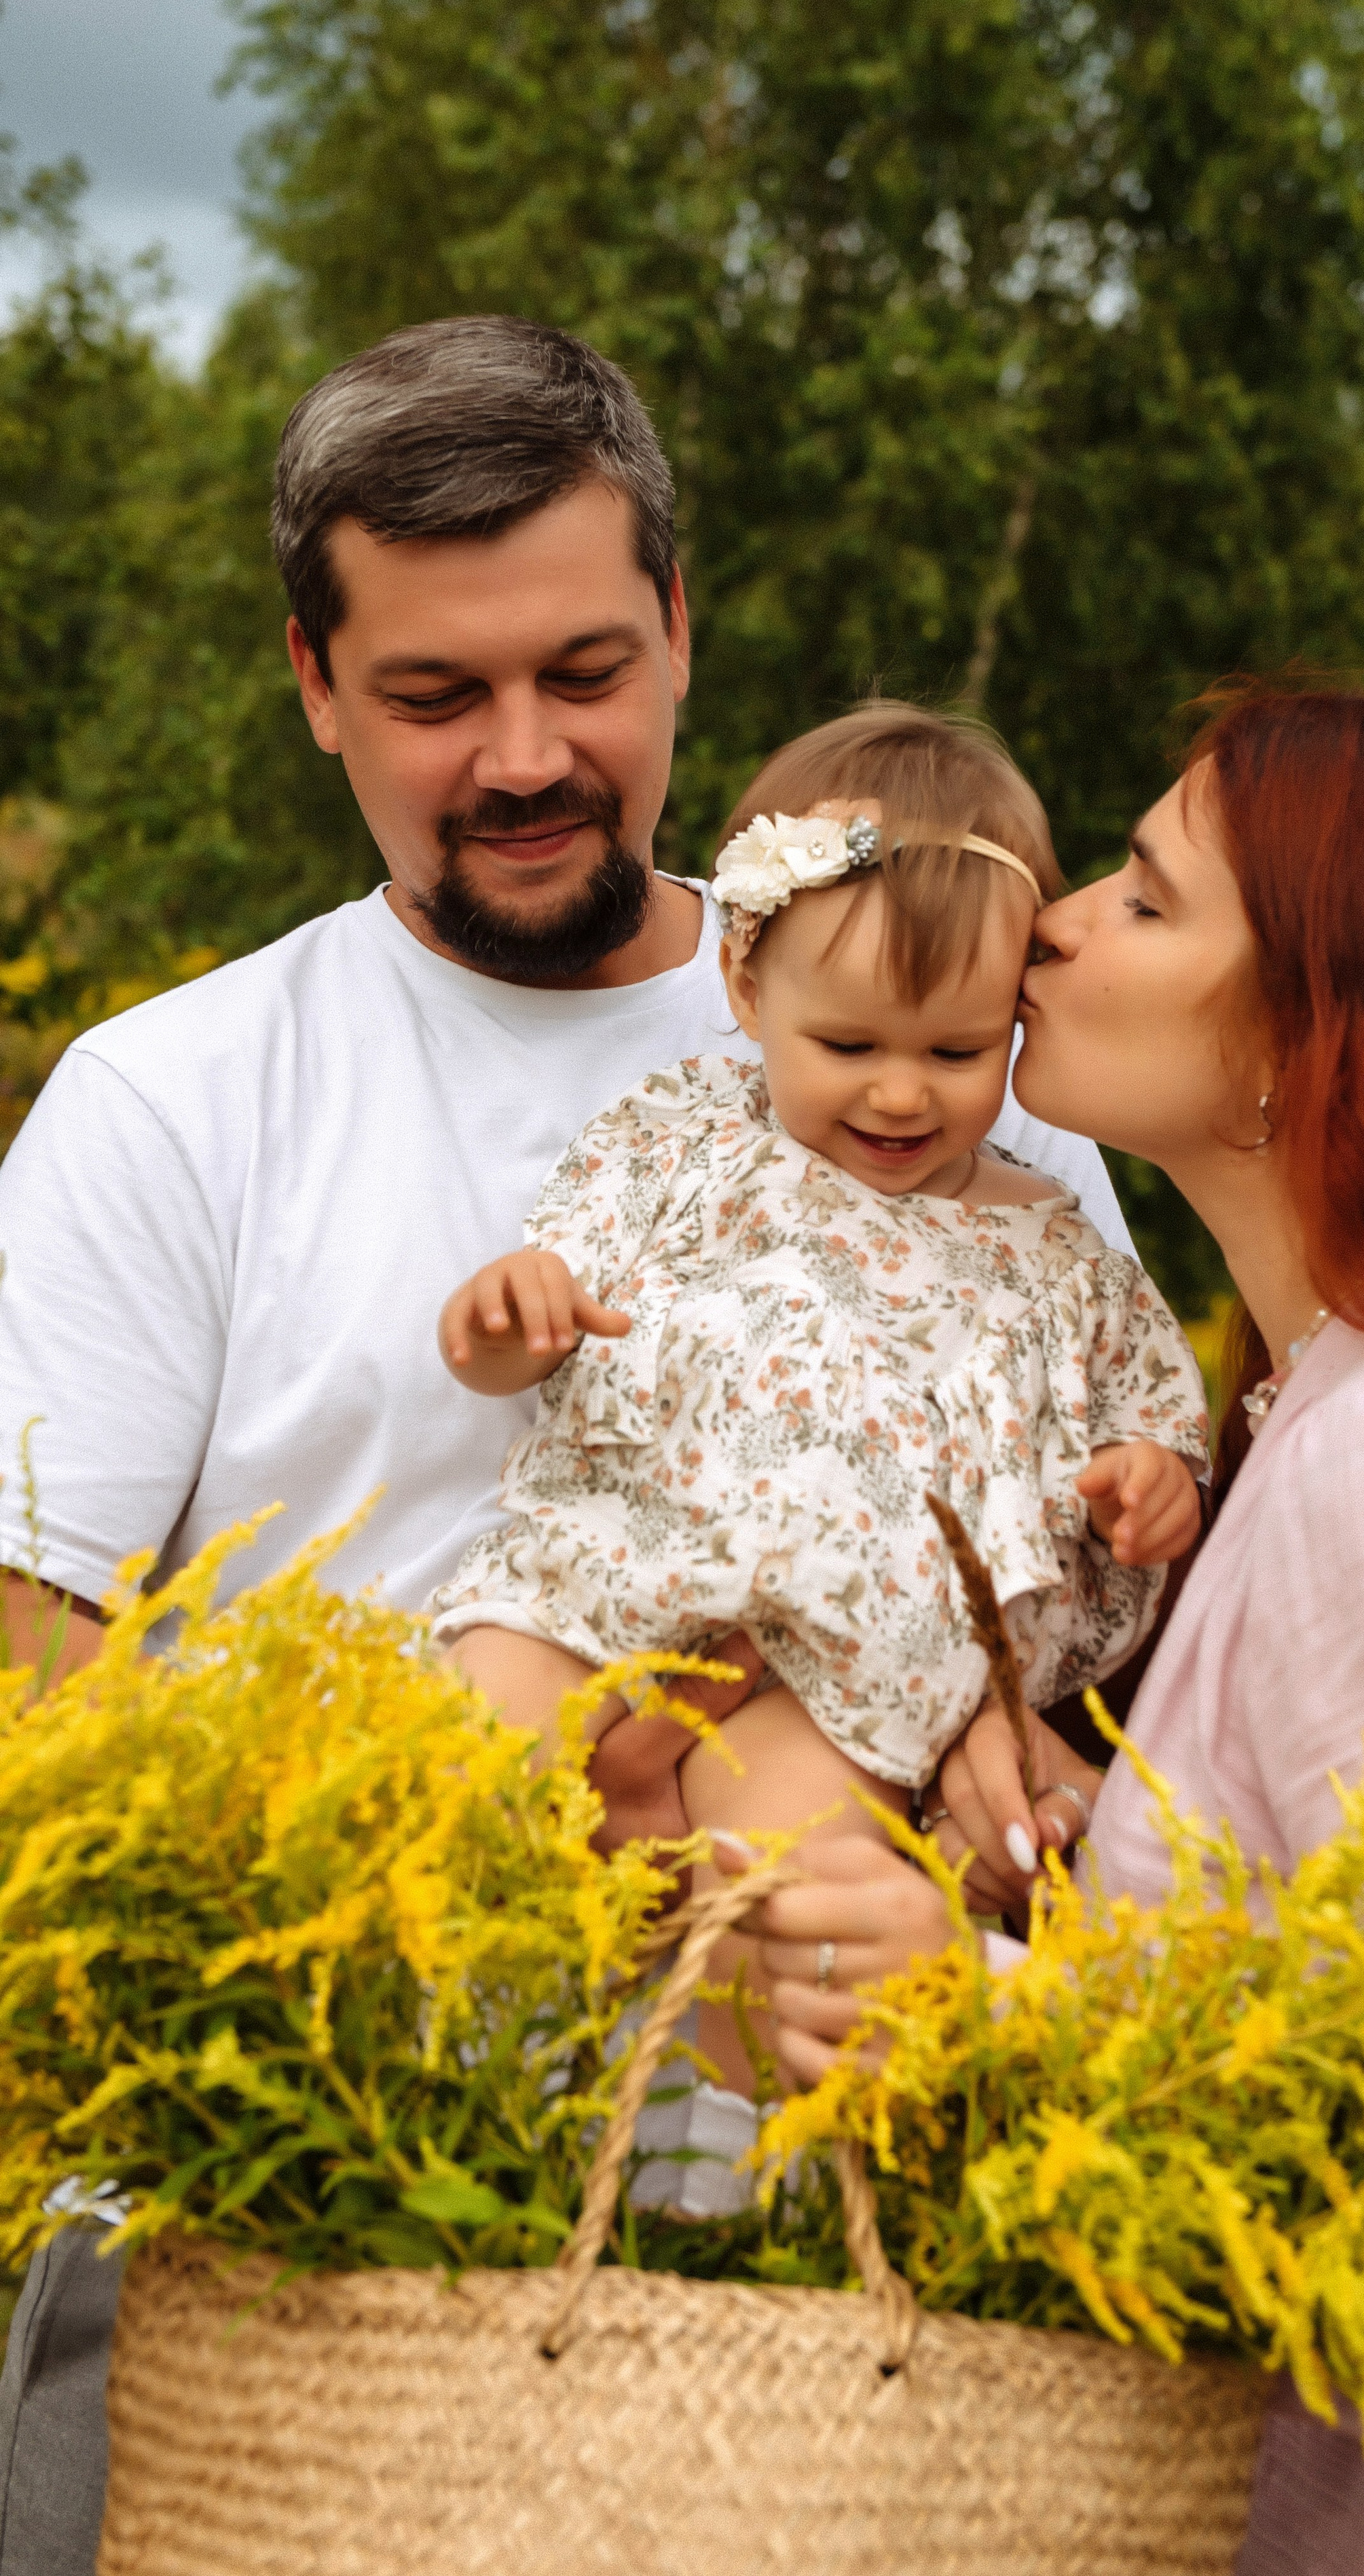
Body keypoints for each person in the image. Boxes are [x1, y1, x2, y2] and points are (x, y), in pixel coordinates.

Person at [0, 316, 1132, 2576]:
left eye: (586, 671)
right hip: (284, 2228)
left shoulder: (988, 1109)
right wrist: (455, 1830)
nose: (527, 756)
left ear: (687, 636)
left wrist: (1019, 1819)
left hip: (830, 2275)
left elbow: (1091, 1675)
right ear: (314, 681)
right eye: (434, 694)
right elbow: (36, 1679)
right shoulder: (172, 1103)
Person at [729, 683, 1364, 2573]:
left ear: (1314, 1042)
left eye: (1145, 895)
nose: (1056, 923)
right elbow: (1333, 1960)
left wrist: (979, 2011)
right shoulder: (1321, 1414)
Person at [431, 709, 1207, 2087]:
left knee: (792, 1927)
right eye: (847, 1044)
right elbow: (534, 1331)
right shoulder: (680, 1138)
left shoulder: (1051, 1246)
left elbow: (1148, 1418)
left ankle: (760, 2205)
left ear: (1012, 1018)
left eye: (958, 1053)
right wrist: (506, 1321)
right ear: (744, 984)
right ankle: (433, 2088)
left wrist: (1151, 1482)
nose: (902, 1094)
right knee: (464, 1767)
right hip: (607, 1584)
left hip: (848, 1673)